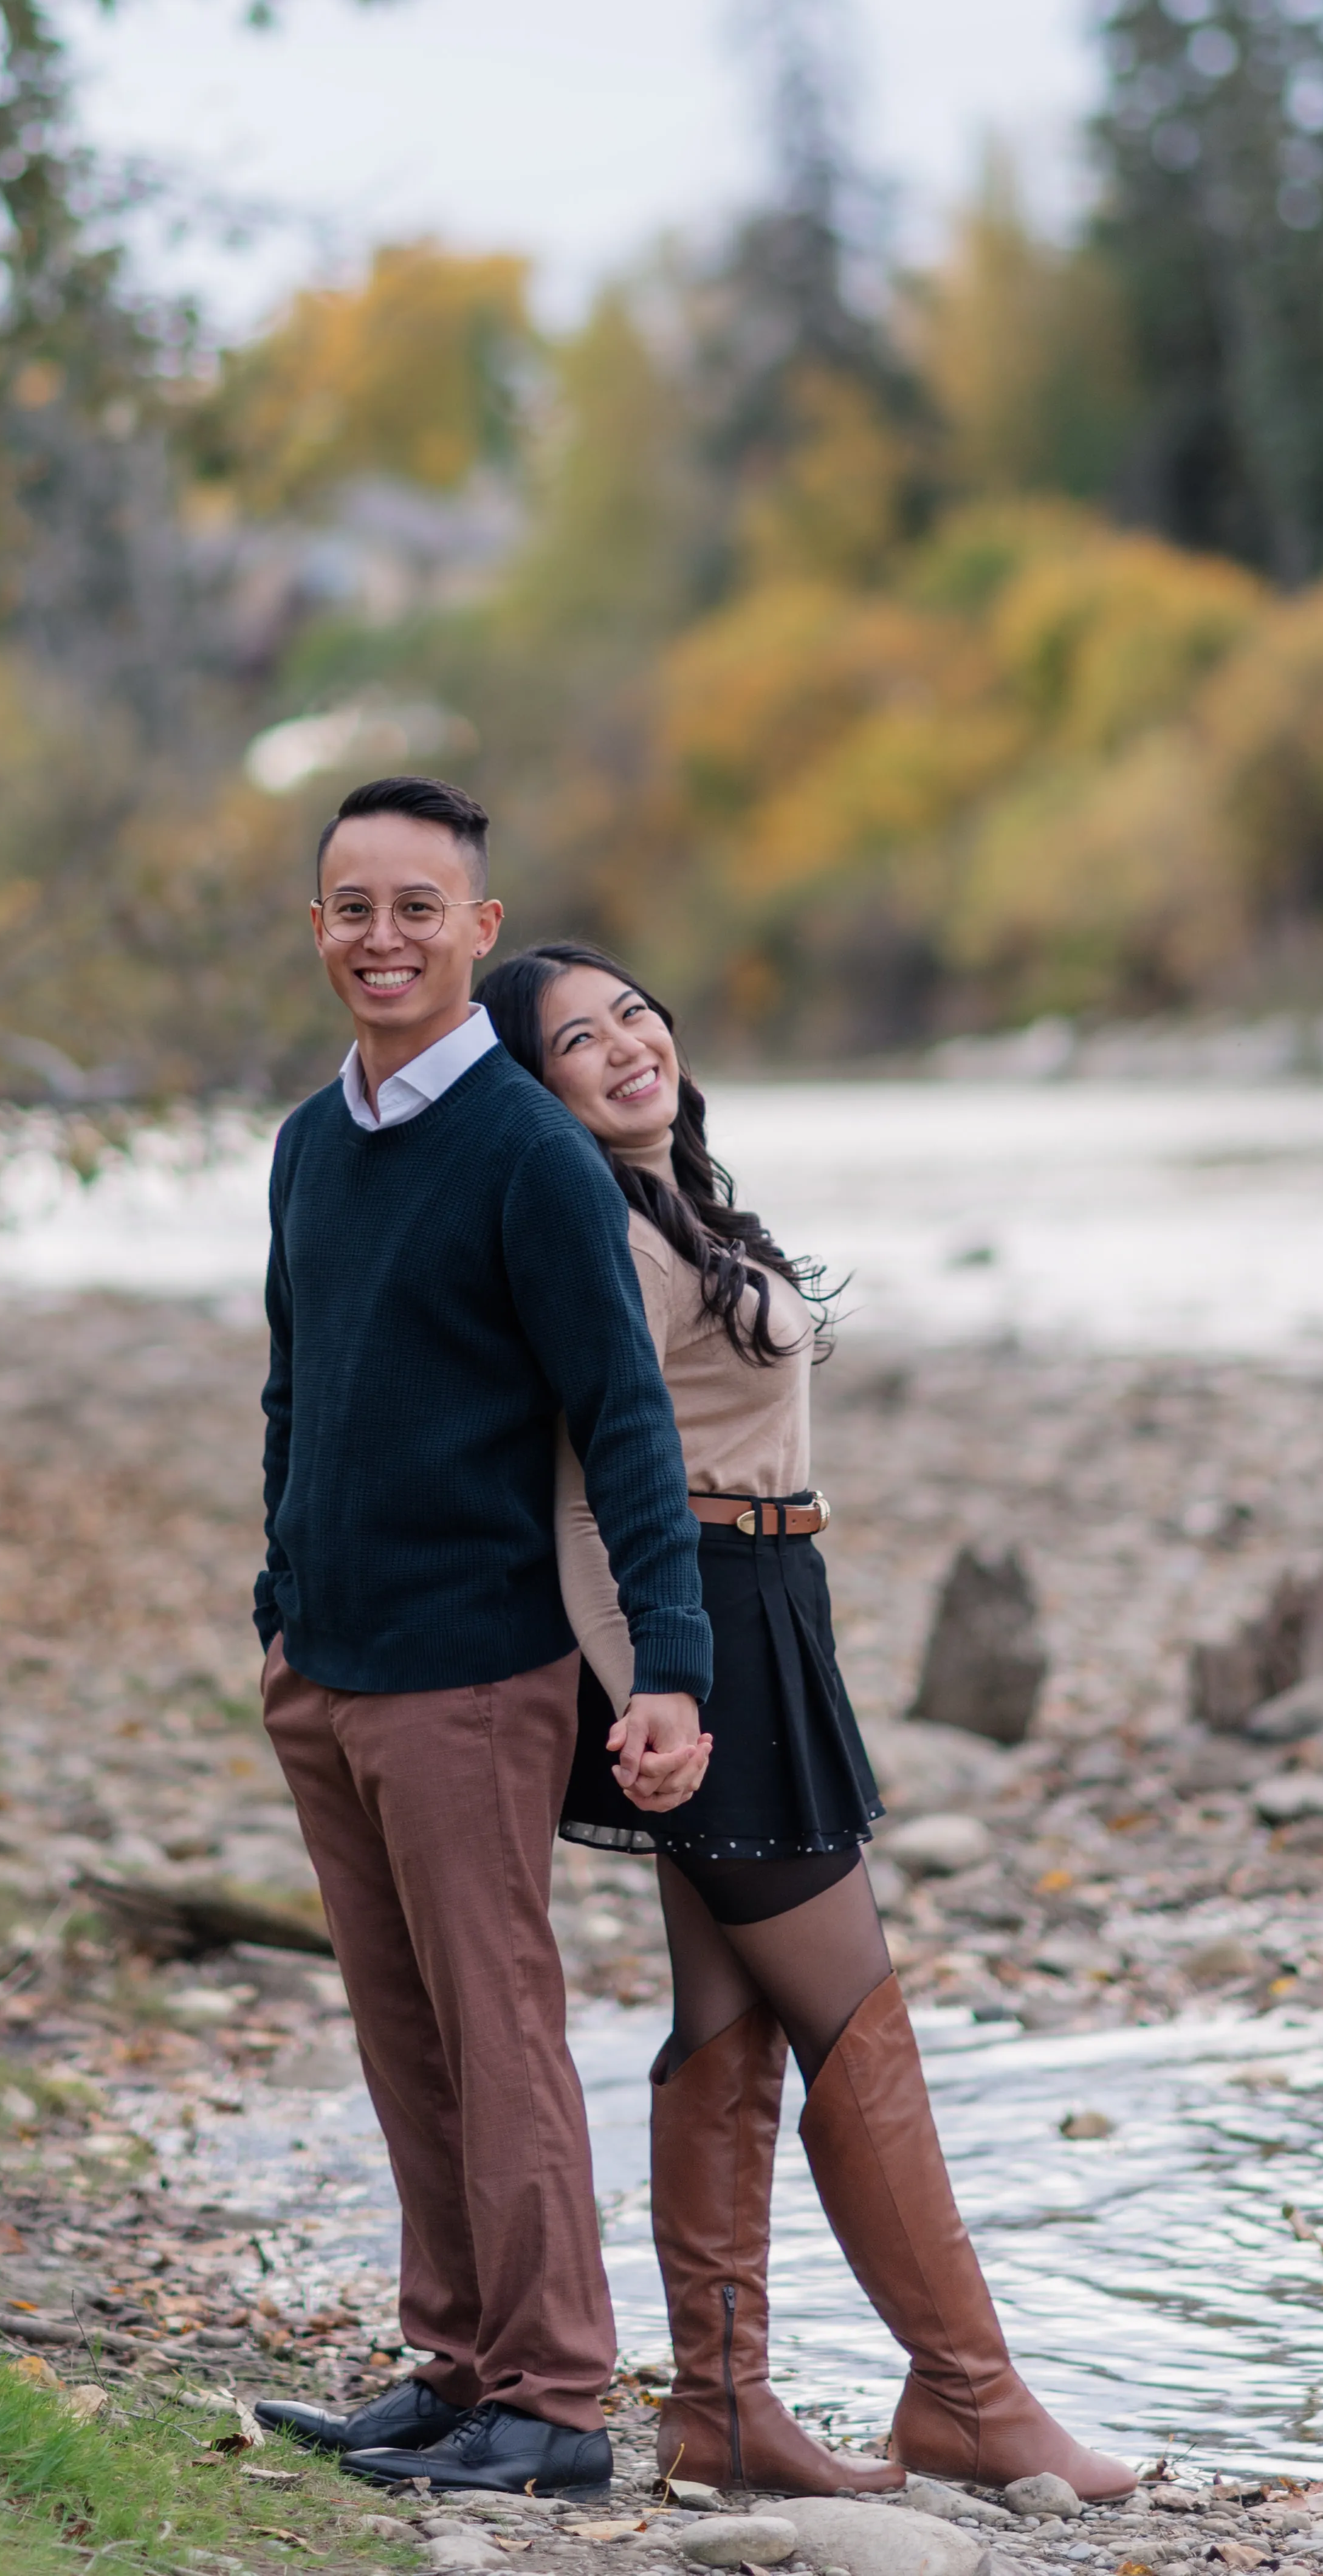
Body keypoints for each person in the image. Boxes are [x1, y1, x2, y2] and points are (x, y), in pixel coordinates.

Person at [479, 942, 1138, 2508]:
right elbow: (587, 1478)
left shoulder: (676, 1198)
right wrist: (650, 1677)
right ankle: (970, 2396)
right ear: (537, 1088)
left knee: (735, 2016)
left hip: (768, 1604)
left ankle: (722, 2411)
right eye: (578, 1040)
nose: (627, 1043)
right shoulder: (596, 1230)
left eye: (634, 1009)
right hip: (693, 1621)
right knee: (854, 2010)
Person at [248, 784, 713, 2504]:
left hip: (472, 1670)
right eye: (353, 908)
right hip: (331, 1661)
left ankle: (557, 2405)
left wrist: (670, 1668)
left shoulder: (526, 1153)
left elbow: (629, 1420)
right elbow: (297, 1386)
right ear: (319, 931)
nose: (383, 937)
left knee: (497, 2026)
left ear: (479, 933)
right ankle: (456, 2366)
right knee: (400, 2027)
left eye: (417, 910)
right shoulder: (309, 1141)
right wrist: (276, 1605)